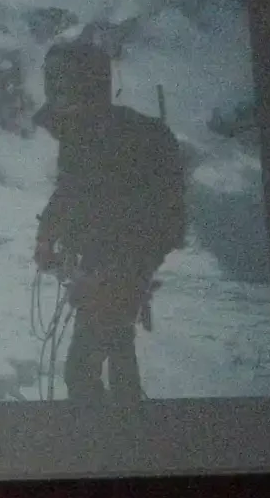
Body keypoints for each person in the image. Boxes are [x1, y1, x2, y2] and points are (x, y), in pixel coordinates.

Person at [32, 41, 187, 402]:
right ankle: (132, 437)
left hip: (119, 270)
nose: (62, 125)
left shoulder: (131, 142)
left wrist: (115, 275)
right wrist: (46, 237)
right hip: (102, 269)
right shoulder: (82, 136)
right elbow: (69, 191)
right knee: (119, 352)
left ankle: (99, 445)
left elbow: (153, 221)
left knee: (79, 373)